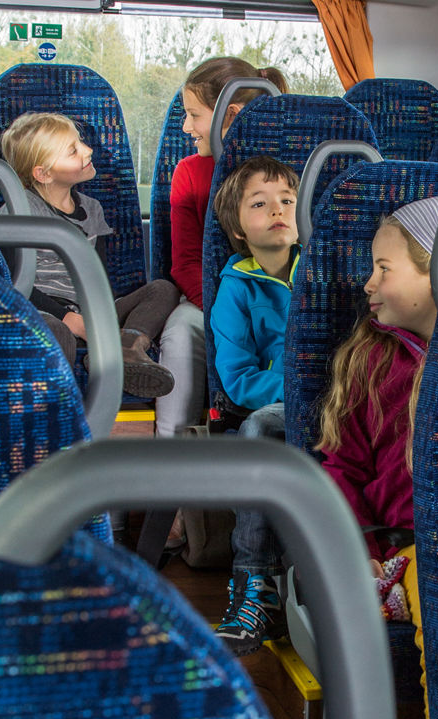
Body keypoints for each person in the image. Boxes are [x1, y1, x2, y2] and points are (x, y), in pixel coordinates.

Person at [317, 194, 438, 706]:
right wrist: (360, 551)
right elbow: (342, 467)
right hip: (409, 546)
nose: (367, 283)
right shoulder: (371, 360)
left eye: (383, 269)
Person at [0, 112, 179, 398]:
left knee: (162, 290)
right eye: (73, 150)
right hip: (43, 312)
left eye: (80, 142)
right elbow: (11, 284)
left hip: (88, 309)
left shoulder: (92, 209)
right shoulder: (17, 212)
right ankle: (57, 403)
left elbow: (97, 275)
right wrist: (69, 319)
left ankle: (126, 348)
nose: (88, 150)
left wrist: (98, 317)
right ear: (43, 173)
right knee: (53, 330)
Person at [165, 58, 288, 438]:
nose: (185, 127)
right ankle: (172, 446)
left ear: (229, 115)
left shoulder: (286, 169)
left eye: (193, 115)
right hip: (218, 294)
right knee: (182, 331)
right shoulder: (189, 171)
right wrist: (225, 308)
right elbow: (186, 262)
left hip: (280, 290)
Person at [208, 154, 300, 655]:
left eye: (287, 200)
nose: (278, 210)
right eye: (260, 204)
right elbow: (240, 381)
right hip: (280, 405)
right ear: (239, 230)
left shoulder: (322, 272)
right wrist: (299, 387)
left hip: (343, 396)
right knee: (260, 430)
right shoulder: (235, 289)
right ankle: (254, 588)